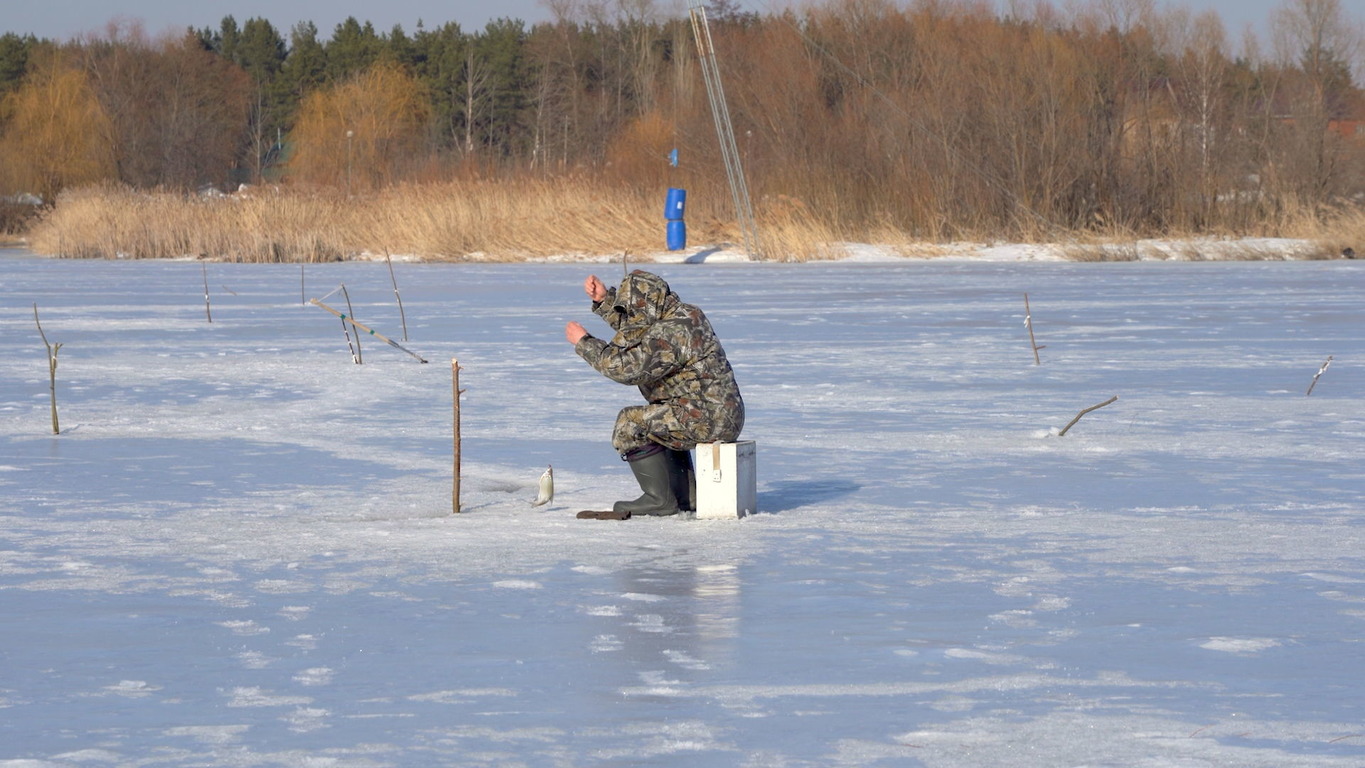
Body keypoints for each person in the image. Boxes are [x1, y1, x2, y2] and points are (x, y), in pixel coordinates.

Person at [565, 270, 745, 517]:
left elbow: (626, 369)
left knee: (629, 424)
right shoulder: (686, 315)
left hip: (706, 418)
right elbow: (641, 329)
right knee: (660, 415)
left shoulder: (670, 332)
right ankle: (686, 496)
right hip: (719, 413)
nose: (633, 313)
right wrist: (605, 300)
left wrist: (584, 342)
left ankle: (658, 499)